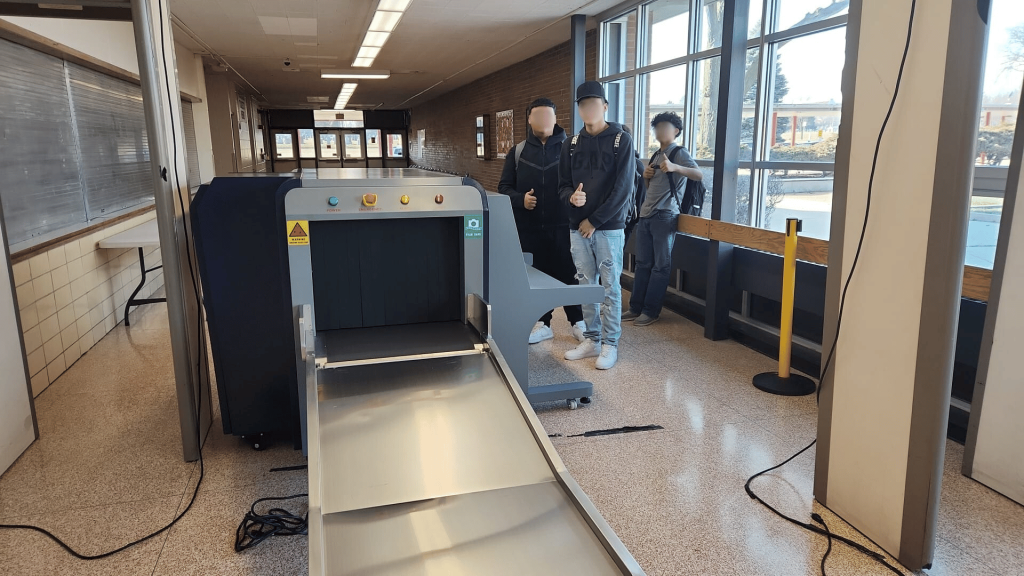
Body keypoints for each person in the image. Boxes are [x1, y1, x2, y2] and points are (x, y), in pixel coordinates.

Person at [558, 81, 636, 370]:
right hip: (577, 227)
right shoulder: (571, 144)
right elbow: (562, 186)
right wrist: (571, 198)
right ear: (579, 109)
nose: (588, 109)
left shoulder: (620, 140)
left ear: (604, 106)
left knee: (610, 286)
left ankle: (611, 343)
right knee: (585, 284)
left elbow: (623, 189)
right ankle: (592, 339)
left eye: (594, 104)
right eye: (583, 104)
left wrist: (594, 220)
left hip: (608, 227)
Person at [498, 98, 586, 344]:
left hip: (564, 226)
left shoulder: (571, 148)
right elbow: (503, 187)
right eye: (538, 116)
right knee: (536, 276)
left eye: (548, 116)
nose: (544, 121)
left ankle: (577, 323)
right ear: (529, 120)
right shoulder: (518, 152)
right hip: (530, 228)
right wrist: (520, 200)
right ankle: (542, 323)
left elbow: (583, 184)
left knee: (570, 275)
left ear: (556, 119)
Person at [623, 111, 702, 326]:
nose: (659, 130)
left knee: (660, 266)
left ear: (676, 131)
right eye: (656, 127)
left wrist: (676, 167)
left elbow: (699, 174)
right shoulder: (657, 154)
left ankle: (650, 311)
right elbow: (652, 189)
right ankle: (635, 307)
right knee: (642, 263)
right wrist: (646, 177)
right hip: (647, 214)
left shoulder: (678, 152)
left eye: (664, 126)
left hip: (665, 215)